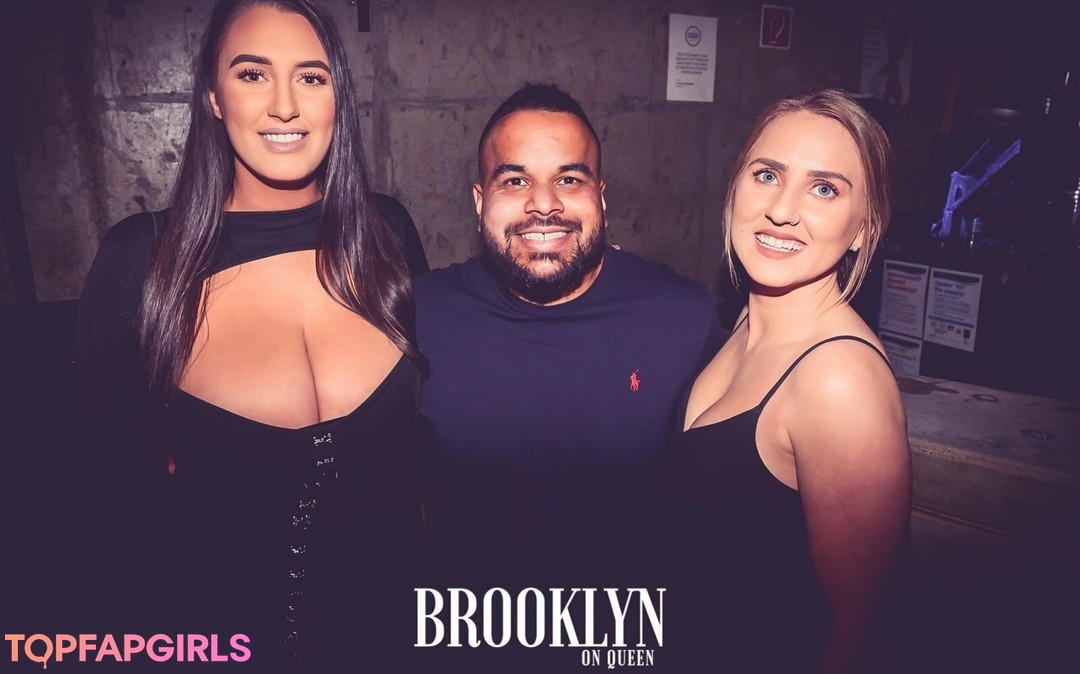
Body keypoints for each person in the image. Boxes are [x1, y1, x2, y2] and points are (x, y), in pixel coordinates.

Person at [74, 0, 424, 667]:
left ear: (338, 97)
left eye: (312, 77)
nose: (285, 106)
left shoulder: (388, 235)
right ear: (213, 95)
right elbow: (107, 512)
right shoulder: (139, 261)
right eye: (253, 74)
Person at [413, 82, 723, 637]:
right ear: (480, 202)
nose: (544, 203)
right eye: (515, 180)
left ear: (601, 197)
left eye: (569, 179)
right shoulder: (418, 316)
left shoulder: (681, 317)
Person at [662, 88, 912, 673]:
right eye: (767, 175)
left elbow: (857, 630)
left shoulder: (839, 380)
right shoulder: (745, 324)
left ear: (863, 226)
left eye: (824, 189)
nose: (781, 209)